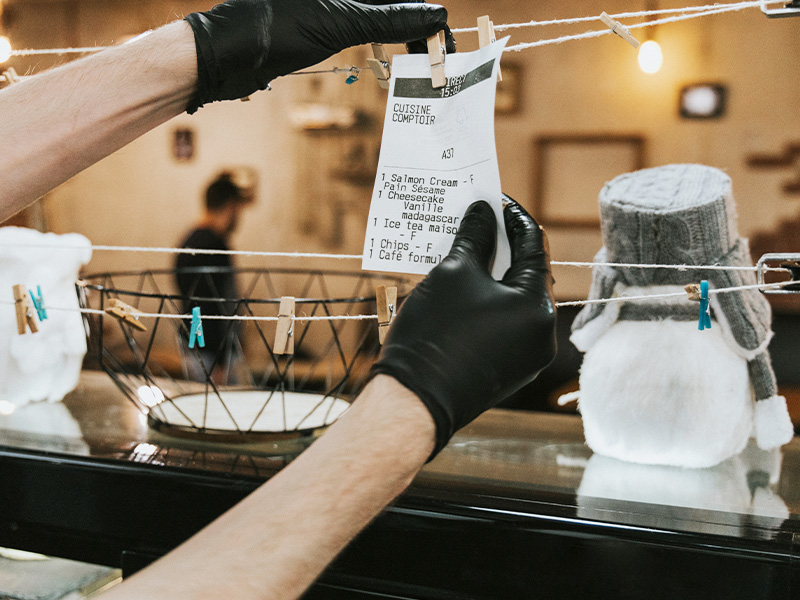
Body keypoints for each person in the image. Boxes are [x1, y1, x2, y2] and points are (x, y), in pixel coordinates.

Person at [0, 1, 557, 598]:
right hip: (206, 339)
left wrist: (199, 51)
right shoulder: (201, 241)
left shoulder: (211, 237)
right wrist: (414, 406)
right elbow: (198, 298)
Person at [175, 172, 251, 382]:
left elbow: (193, 306)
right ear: (231, 206)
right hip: (213, 355)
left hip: (195, 344)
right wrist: (221, 360)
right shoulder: (215, 245)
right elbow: (212, 306)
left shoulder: (188, 241)